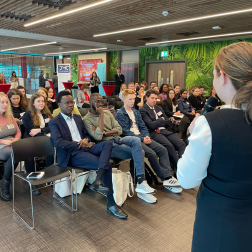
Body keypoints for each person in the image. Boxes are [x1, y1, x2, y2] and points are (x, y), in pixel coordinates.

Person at [177, 41, 252, 252]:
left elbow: (187, 178)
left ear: (224, 76)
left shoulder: (211, 124)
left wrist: (192, 137)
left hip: (221, 227)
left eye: (213, 74)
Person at [49, 91, 127, 219]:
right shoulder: (54, 122)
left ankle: (97, 181)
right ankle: (111, 204)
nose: (70, 105)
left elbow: (86, 134)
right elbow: (58, 142)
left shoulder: (78, 118)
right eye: (67, 103)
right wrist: (79, 144)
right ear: (59, 105)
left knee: (107, 144)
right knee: (106, 164)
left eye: (72, 102)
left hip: (86, 148)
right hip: (72, 154)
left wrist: (87, 140)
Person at [84, 93, 157, 204]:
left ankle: (141, 183)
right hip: (108, 145)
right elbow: (98, 137)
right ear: (90, 102)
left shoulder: (108, 113)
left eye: (101, 101)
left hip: (118, 139)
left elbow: (119, 129)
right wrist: (101, 115)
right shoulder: (87, 119)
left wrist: (103, 131)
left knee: (136, 140)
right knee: (140, 152)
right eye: (96, 101)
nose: (100, 104)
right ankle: (142, 186)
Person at [115, 89, 181, 195]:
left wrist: (146, 136)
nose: (132, 101)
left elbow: (143, 126)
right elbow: (125, 132)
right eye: (130, 99)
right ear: (123, 100)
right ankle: (165, 178)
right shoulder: (120, 114)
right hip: (133, 140)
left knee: (163, 150)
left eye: (133, 99)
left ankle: (167, 176)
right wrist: (142, 138)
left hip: (142, 137)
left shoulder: (136, 112)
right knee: (152, 154)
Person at [139, 89, 186, 173]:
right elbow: (151, 125)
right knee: (169, 146)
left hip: (165, 131)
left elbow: (168, 122)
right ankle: (180, 168)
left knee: (181, 144)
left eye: (155, 98)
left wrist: (160, 121)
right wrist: (161, 120)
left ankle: (183, 165)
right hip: (154, 133)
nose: (154, 100)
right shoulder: (143, 110)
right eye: (152, 98)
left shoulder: (159, 108)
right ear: (146, 98)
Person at [22, 93, 53, 195]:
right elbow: (31, 131)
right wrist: (43, 132)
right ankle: (33, 181)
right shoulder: (27, 115)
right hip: (30, 140)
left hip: (44, 139)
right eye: (38, 101)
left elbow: (51, 127)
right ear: (33, 103)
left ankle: (49, 176)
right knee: (29, 156)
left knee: (51, 148)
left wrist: (40, 130)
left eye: (43, 101)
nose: (41, 103)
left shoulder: (46, 114)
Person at [0, 92, 21, 201]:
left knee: (25, 151)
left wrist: (16, 139)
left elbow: (18, 131)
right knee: (15, 153)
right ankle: (5, 185)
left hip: (12, 143)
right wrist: (4, 141)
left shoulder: (10, 116)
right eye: (2, 102)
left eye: (6, 102)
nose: (5, 105)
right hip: (1, 145)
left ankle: (5, 181)